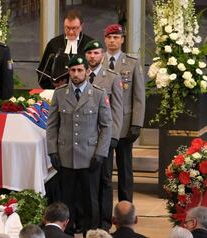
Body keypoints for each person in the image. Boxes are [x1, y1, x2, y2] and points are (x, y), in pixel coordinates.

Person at [46, 55, 112, 234]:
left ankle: (90, 233)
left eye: (80, 70)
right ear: (69, 71)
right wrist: (52, 151)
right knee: (66, 199)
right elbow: (52, 125)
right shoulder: (60, 94)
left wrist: (101, 153)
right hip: (65, 155)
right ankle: (66, 233)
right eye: (73, 70)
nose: (76, 74)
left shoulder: (98, 94)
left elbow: (106, 126)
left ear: (87, 71)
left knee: (90, 199)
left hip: (89, 156)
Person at [102, 24, 146, 203]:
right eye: (109, 37)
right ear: (105, 39)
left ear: (122, 40)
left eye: (116, 37)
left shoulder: (132, 63)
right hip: (103, 125)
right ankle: (104, 211)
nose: (112, 41)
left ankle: (126, 209)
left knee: (125, 170)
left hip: (125, 126)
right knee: (103, 172)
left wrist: (136, 123)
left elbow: (139, 96)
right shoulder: (98, 61)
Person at [84, 40, 123, 231]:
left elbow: (117, 110)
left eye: (96, 53)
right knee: (88, 181)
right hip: (85, 140)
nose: (93, 56)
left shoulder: (113, 78)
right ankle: (90, 220)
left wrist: (114, 136)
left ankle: (105, 223)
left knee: (105, 180)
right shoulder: (79, 76)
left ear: (102, 55)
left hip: (105, 139)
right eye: (90, 53)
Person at [37, 9, 93, 89]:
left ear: (81, 27)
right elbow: (43, 70)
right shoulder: (54, 43)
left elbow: (96, 71)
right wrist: (53, 84)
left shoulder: (90, 44)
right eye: (67, 28)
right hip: (57, 91)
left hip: (84, 91)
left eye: (74, 28)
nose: (70, 32)